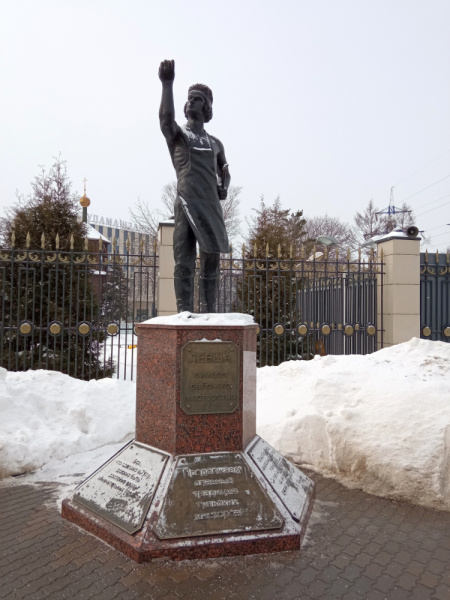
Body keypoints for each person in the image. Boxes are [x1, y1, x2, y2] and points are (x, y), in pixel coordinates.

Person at [158, 59, 231, 313]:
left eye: (197, 98)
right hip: (186, 202)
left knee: (211, 261)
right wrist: (167, 84)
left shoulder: (215, 143)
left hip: (210, 205)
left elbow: (225, 171)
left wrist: (224, 186)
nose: (190, 101)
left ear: (207, 107)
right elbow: (166, 122)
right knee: (184, 261)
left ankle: (210, 312)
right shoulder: (179, 135)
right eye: (188, 98)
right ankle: (184, 312)